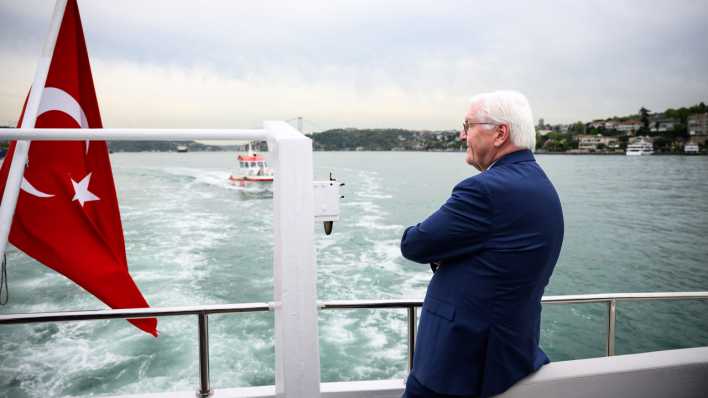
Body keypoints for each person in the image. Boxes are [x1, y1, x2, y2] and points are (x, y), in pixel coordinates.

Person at [400, 90, 564, 398]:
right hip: (509, 356)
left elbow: (415, 244)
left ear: (500, 133)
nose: (462, 135)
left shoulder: (485, 190)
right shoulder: (541, 185)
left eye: (468, 125)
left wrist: (445, 255)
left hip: (456, 367)